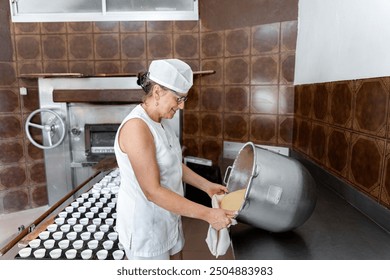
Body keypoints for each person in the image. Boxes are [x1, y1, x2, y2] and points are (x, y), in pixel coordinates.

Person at [114, 59, 236, 260]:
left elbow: (171, 164)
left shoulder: (161, 122)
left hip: (169, 214)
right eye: (178, 99)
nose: (181, 106)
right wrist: (208, 214)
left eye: (183, 100)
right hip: (147, 226)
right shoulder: (137, 128)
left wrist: (207, 186)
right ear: (157, 92)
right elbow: (152, 192)